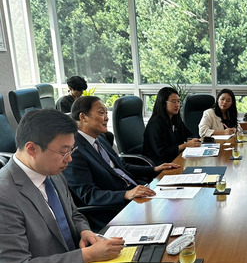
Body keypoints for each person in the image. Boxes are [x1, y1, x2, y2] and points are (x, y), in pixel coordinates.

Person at [0, 109, 124, 263]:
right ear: (32, 148)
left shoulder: (52, 173)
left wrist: (85, 231)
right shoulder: (4, 195)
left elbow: (74, 213)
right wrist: (87, 256)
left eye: (72, 150)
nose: (69, 159)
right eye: (64, 151)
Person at [63, 97, 179, 229]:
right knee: (172, 219)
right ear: (83, 117)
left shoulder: (100, 139)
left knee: (177, 204)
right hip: (117, 209)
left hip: (136, 195)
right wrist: (126, 194)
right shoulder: (74, 150)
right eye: (101, 113)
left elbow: (121, 167)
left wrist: (154, 169)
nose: (107, 118)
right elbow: (88, 195)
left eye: (107, 113)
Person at [143, 87, 201, 165]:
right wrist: (185, 145)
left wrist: (194, 140)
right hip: (160, 164)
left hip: (175, 158)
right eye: (173, 102)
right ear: (163, 104)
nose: (177, 105)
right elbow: (162, 152)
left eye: (178, 101)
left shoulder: (175, 119)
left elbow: (188, 135)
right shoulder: (155, 124)